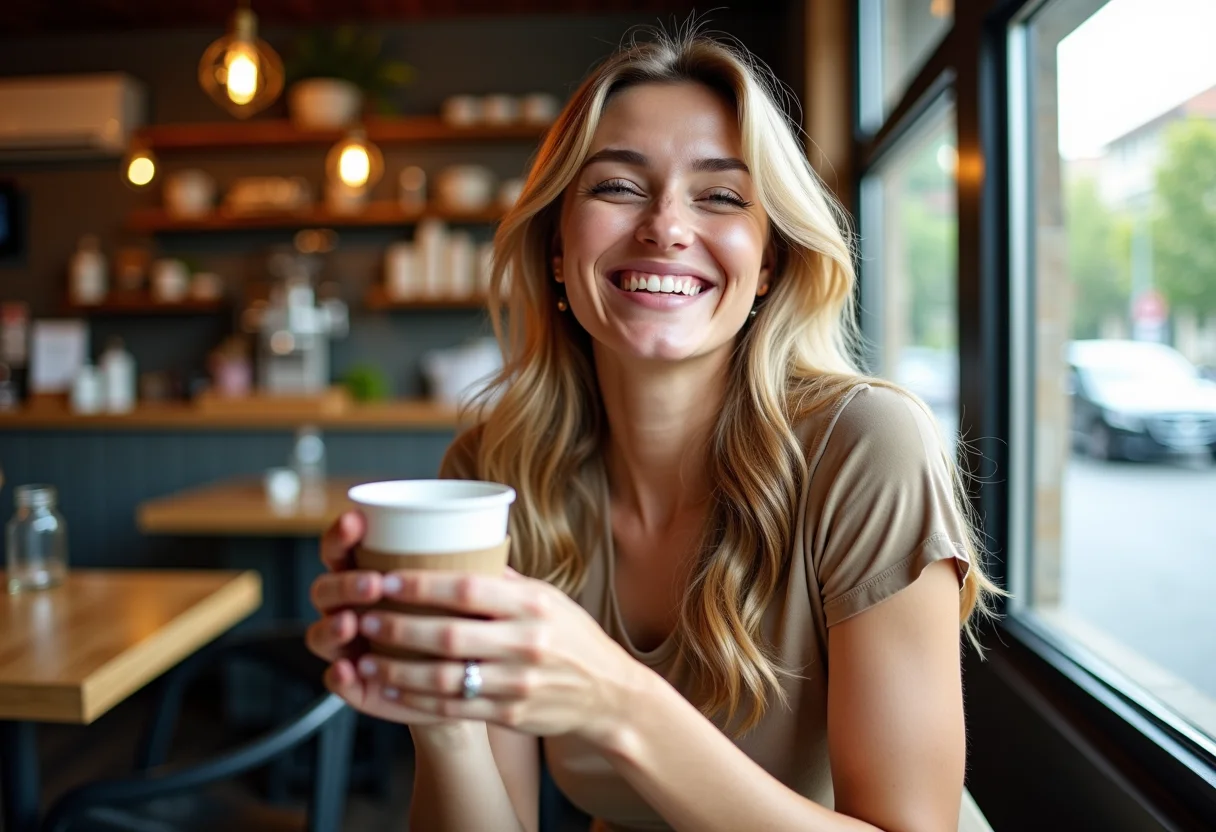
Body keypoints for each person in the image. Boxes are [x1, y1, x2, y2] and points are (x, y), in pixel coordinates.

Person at [307, 28, 1000, 832]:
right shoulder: (497, 471)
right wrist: (441, 714)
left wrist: (616, 700)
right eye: (617, 187)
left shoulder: (868, 445)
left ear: (768, 261)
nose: (667, 226)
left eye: (721, 196)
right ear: (559, 250)